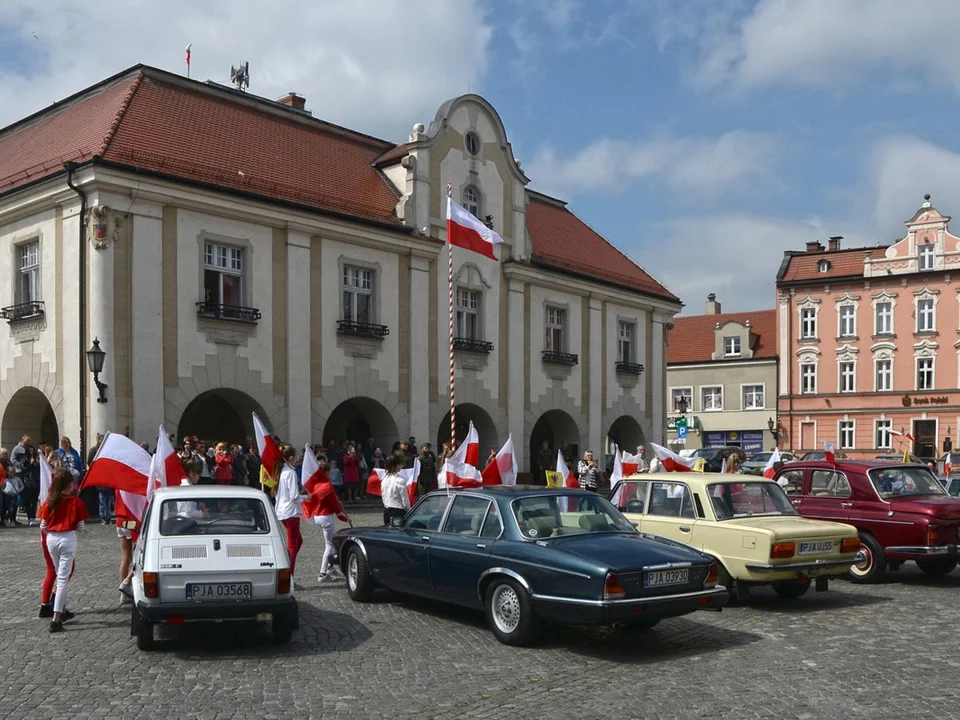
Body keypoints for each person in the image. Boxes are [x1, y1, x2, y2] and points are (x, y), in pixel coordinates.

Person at [39, 468, 88, 633]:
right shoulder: (76, 502)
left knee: (59, 575)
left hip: (51, 539)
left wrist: (52, 533)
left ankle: (60, 611)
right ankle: (56, 618)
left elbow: (43, 526)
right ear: (69, 485)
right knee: (62, 580)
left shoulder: (49, 501)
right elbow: (81, 527)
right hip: (67, 538)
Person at [303, 459, 350, 582]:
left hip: (317, 516)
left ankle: (330, 567)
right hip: (325, 517)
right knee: (329, 545)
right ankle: (323, 573)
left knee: (333, 544)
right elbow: (335, 505)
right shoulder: (327, 485)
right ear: (327, 472)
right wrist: (345, 518)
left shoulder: (316, 484)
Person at [275, 445, 308, 580]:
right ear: (290, 458)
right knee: (293, 545)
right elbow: (294, 496)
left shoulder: (282, 471)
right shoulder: (290, 473)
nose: (297, 458)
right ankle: (289, 577)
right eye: (296, 456)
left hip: (283, 510)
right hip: (291, 512)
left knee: (298, 541)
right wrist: (307, 497)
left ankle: (288, 567)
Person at [380, 453, 410, 525]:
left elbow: (383, 496)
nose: (401, 466)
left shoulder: (384, 479)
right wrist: (409, 511)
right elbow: (405, 500)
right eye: (400, 464)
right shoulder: (400, 480)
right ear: (396, 466)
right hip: (398, 511)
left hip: (387, 510)